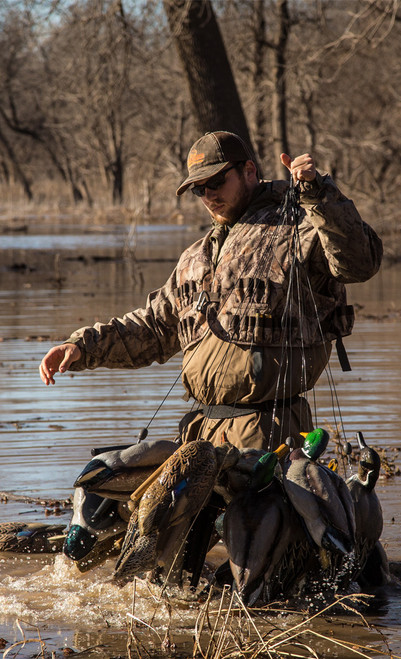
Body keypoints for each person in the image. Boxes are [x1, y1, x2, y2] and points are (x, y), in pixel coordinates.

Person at [40, 131, 382, 451]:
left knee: (252, 516)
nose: (209, 196)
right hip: (200, 431)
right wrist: (82, 347)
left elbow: (359, 263)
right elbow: (155, 328)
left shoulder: (301, 227)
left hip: (270, 434)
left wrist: (320, 194)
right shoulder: (196, 257)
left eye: (217, 182)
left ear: (249, 171)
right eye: (198, 189)